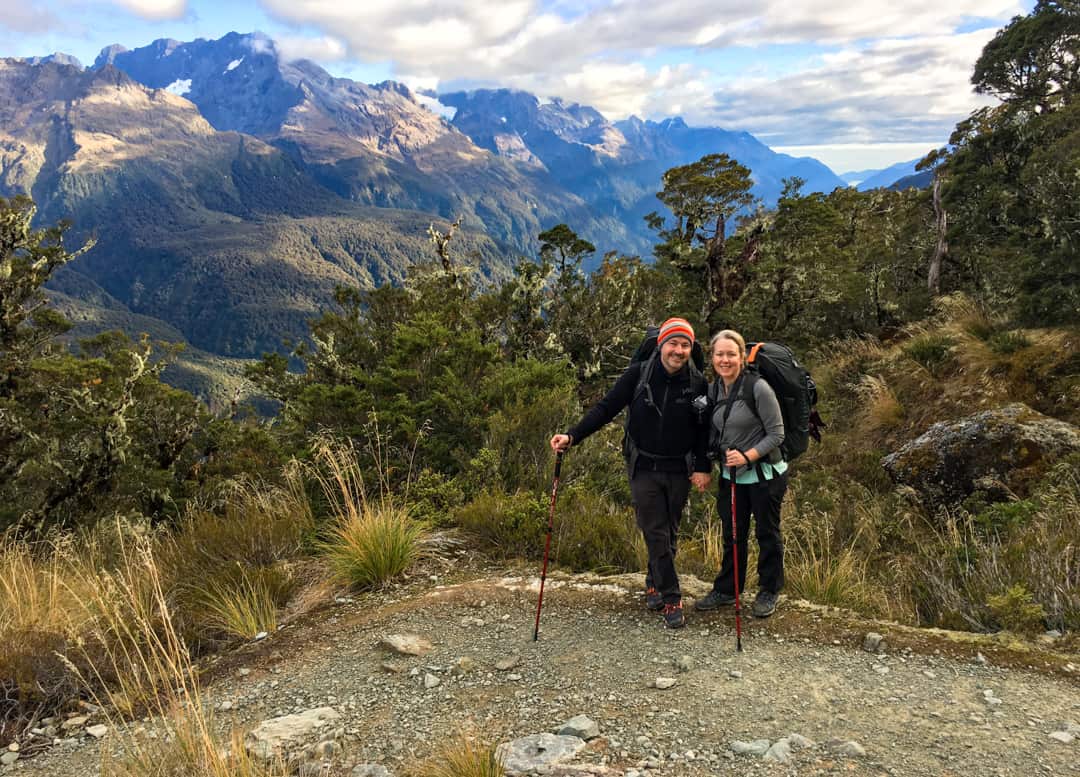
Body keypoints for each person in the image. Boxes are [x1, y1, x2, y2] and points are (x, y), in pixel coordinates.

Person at [550, 317, 711, 629]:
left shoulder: (697, 383)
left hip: (679, 468)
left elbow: (704, 431)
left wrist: (703, 466)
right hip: (643, 465)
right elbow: (605, 408)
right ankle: (671, 595)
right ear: (662, 344)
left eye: (685, 345)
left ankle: (653, 581)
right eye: (673, 343)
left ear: (691, 349)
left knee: (670, 532)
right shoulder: (639, 373)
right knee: (655, 531)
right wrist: (572, 436)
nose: (678, 351)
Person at [695, 329, 789, 618]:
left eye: (731, 354)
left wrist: (747, 455)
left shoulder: (757, 387)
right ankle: (727, 589)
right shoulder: (713, 390)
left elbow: (777, 434)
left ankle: (769, 590)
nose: (725, 360)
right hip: (730, 476)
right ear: (712, 358)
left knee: (767, 533)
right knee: (733, 534)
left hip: (764, 475)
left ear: (741, 357)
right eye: (719, 354)